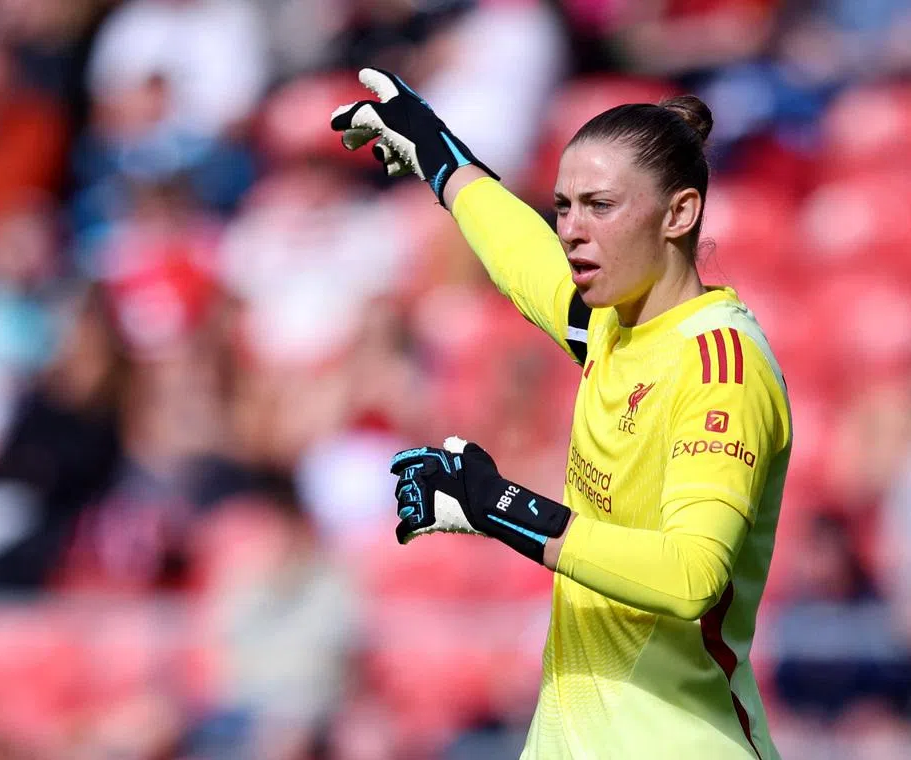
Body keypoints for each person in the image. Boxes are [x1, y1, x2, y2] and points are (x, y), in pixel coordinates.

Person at [330, 68, 792, 758]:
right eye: (563, 206)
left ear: (680, 213)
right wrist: (437, 153)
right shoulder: (612, 325)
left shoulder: (720, 366)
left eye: (599, 206)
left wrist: (501, 505)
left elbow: (692, 577)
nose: (571, 230)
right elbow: (521, 255)